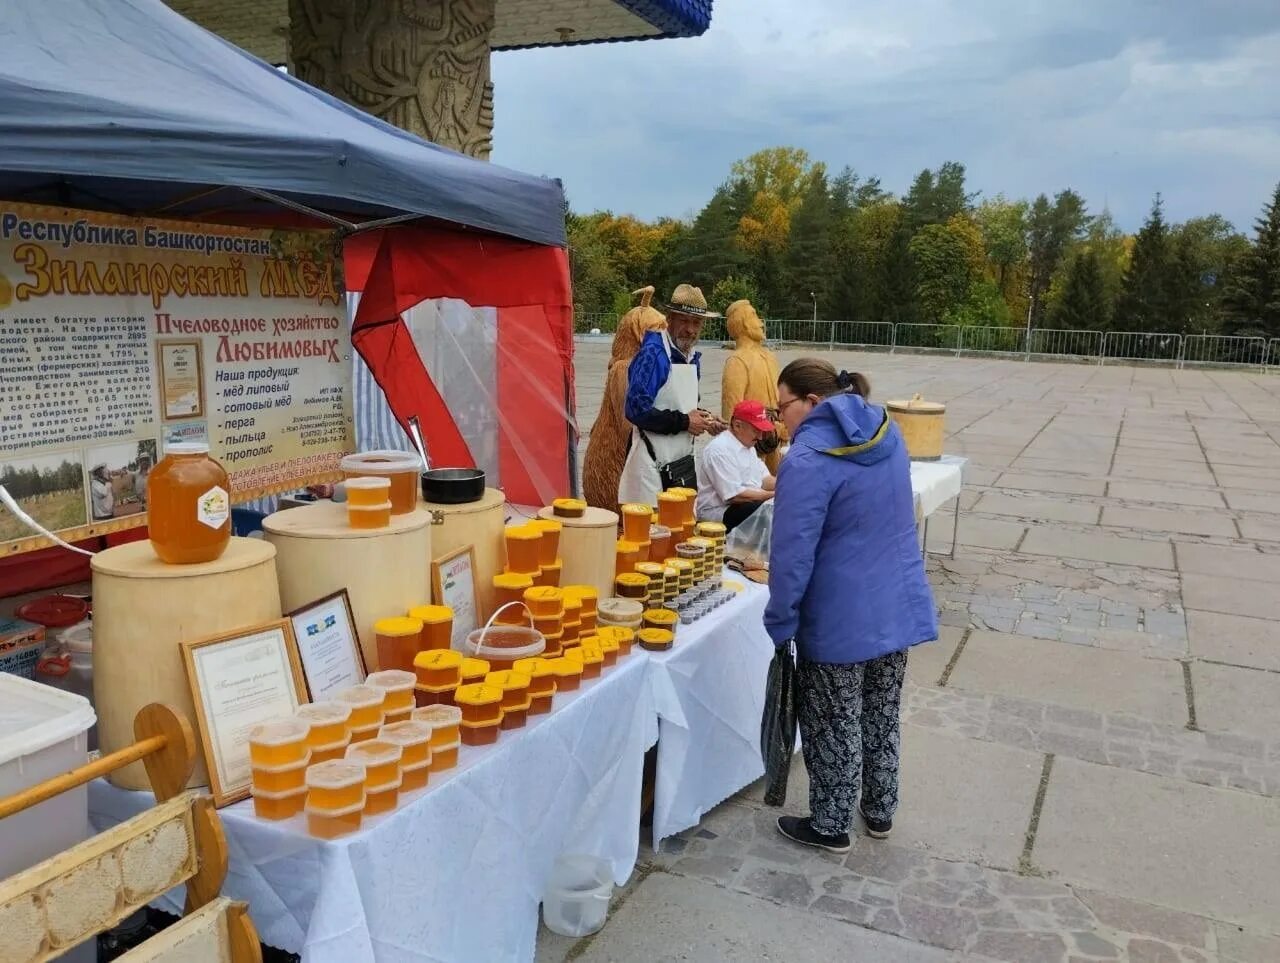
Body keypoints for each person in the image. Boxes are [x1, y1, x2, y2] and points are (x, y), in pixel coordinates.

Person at [765, 358, 937, 853]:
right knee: (881, 710)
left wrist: (780, 619)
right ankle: (879, 809)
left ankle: (831, 822)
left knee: (833, 717)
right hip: (895, 605)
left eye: (784, 408)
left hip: (839, 616)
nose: (781, 421)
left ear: (813, 403)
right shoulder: (890, 435)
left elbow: (792, 556)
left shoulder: (807, 459)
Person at [617, 283, 725, 507]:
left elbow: (682, 405)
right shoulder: (653, 354)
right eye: (684, 320)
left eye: (696, 322)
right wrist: (686, 421)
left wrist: (706, 419)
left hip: (680, 465)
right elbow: (635, 410)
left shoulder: (691, 356)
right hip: (649, 467)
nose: (690, 329)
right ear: (670, 318)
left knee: (682, 535)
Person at [581, 287, 666, 510]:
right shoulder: (623, 369)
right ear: (638, 333)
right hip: (612, 465)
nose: (663, 335)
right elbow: (629, 424)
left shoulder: (639, 366)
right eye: (657, 330)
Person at [721, 299, 786, 474]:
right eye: (754, 316)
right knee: (754, 488)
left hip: (775, 439)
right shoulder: (737, 361)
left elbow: (780, 397)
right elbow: (731, 414)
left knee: (778, 486)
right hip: (752, 445)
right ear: (741, 324)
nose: (760, 323)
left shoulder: (769, 357)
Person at [695, 399, 776, 532]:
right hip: (719, 513)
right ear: (738, 425)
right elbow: (735, 495)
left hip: (746, 503)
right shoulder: (719, 450)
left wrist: (789, 484)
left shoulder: (748, 445)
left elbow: (765, 479)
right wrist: (774, 495)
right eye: (756, 431)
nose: (761, 437)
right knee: (763, 511)